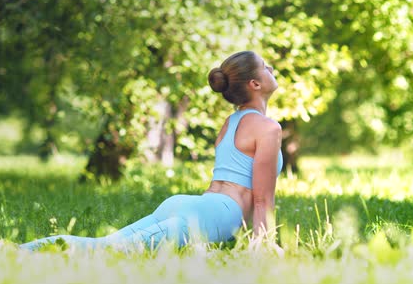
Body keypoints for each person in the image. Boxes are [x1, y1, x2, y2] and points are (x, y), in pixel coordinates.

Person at [20, 51, 283, 251]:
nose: (270, 68)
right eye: (264, 67)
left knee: (102, 244)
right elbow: (261, 199)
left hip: (189, 205)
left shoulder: (232, 122)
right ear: (254, 84)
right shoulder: (268, 128)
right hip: (217, 214)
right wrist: (264, 245)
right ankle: (15, 253)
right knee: (106, 251)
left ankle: (19, 251)